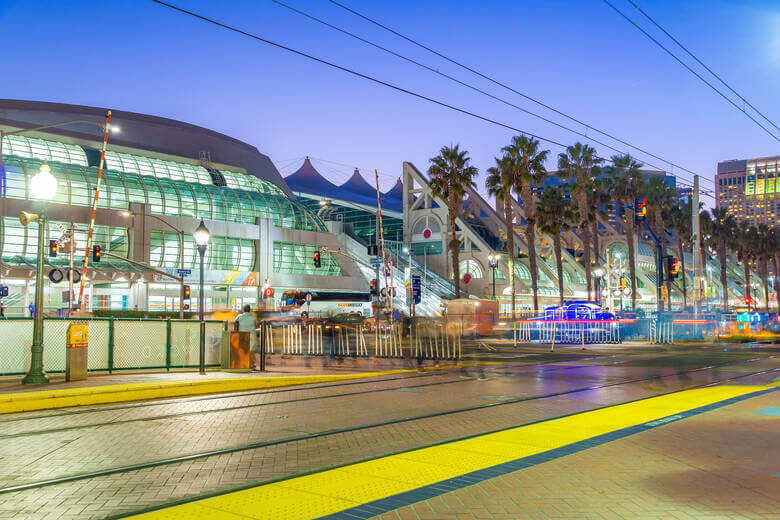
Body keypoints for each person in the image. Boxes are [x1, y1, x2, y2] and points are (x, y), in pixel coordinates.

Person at [234, 304, 259, 369]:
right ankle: (251, 365)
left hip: (243, 335)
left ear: (243, 310)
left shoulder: (240, 316)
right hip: (252, 334)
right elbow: (256, 324)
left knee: (243, 350)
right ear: (250, 310)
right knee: (251, 351)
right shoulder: (253, 317)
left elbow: (235, 320)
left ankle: (243, 364)